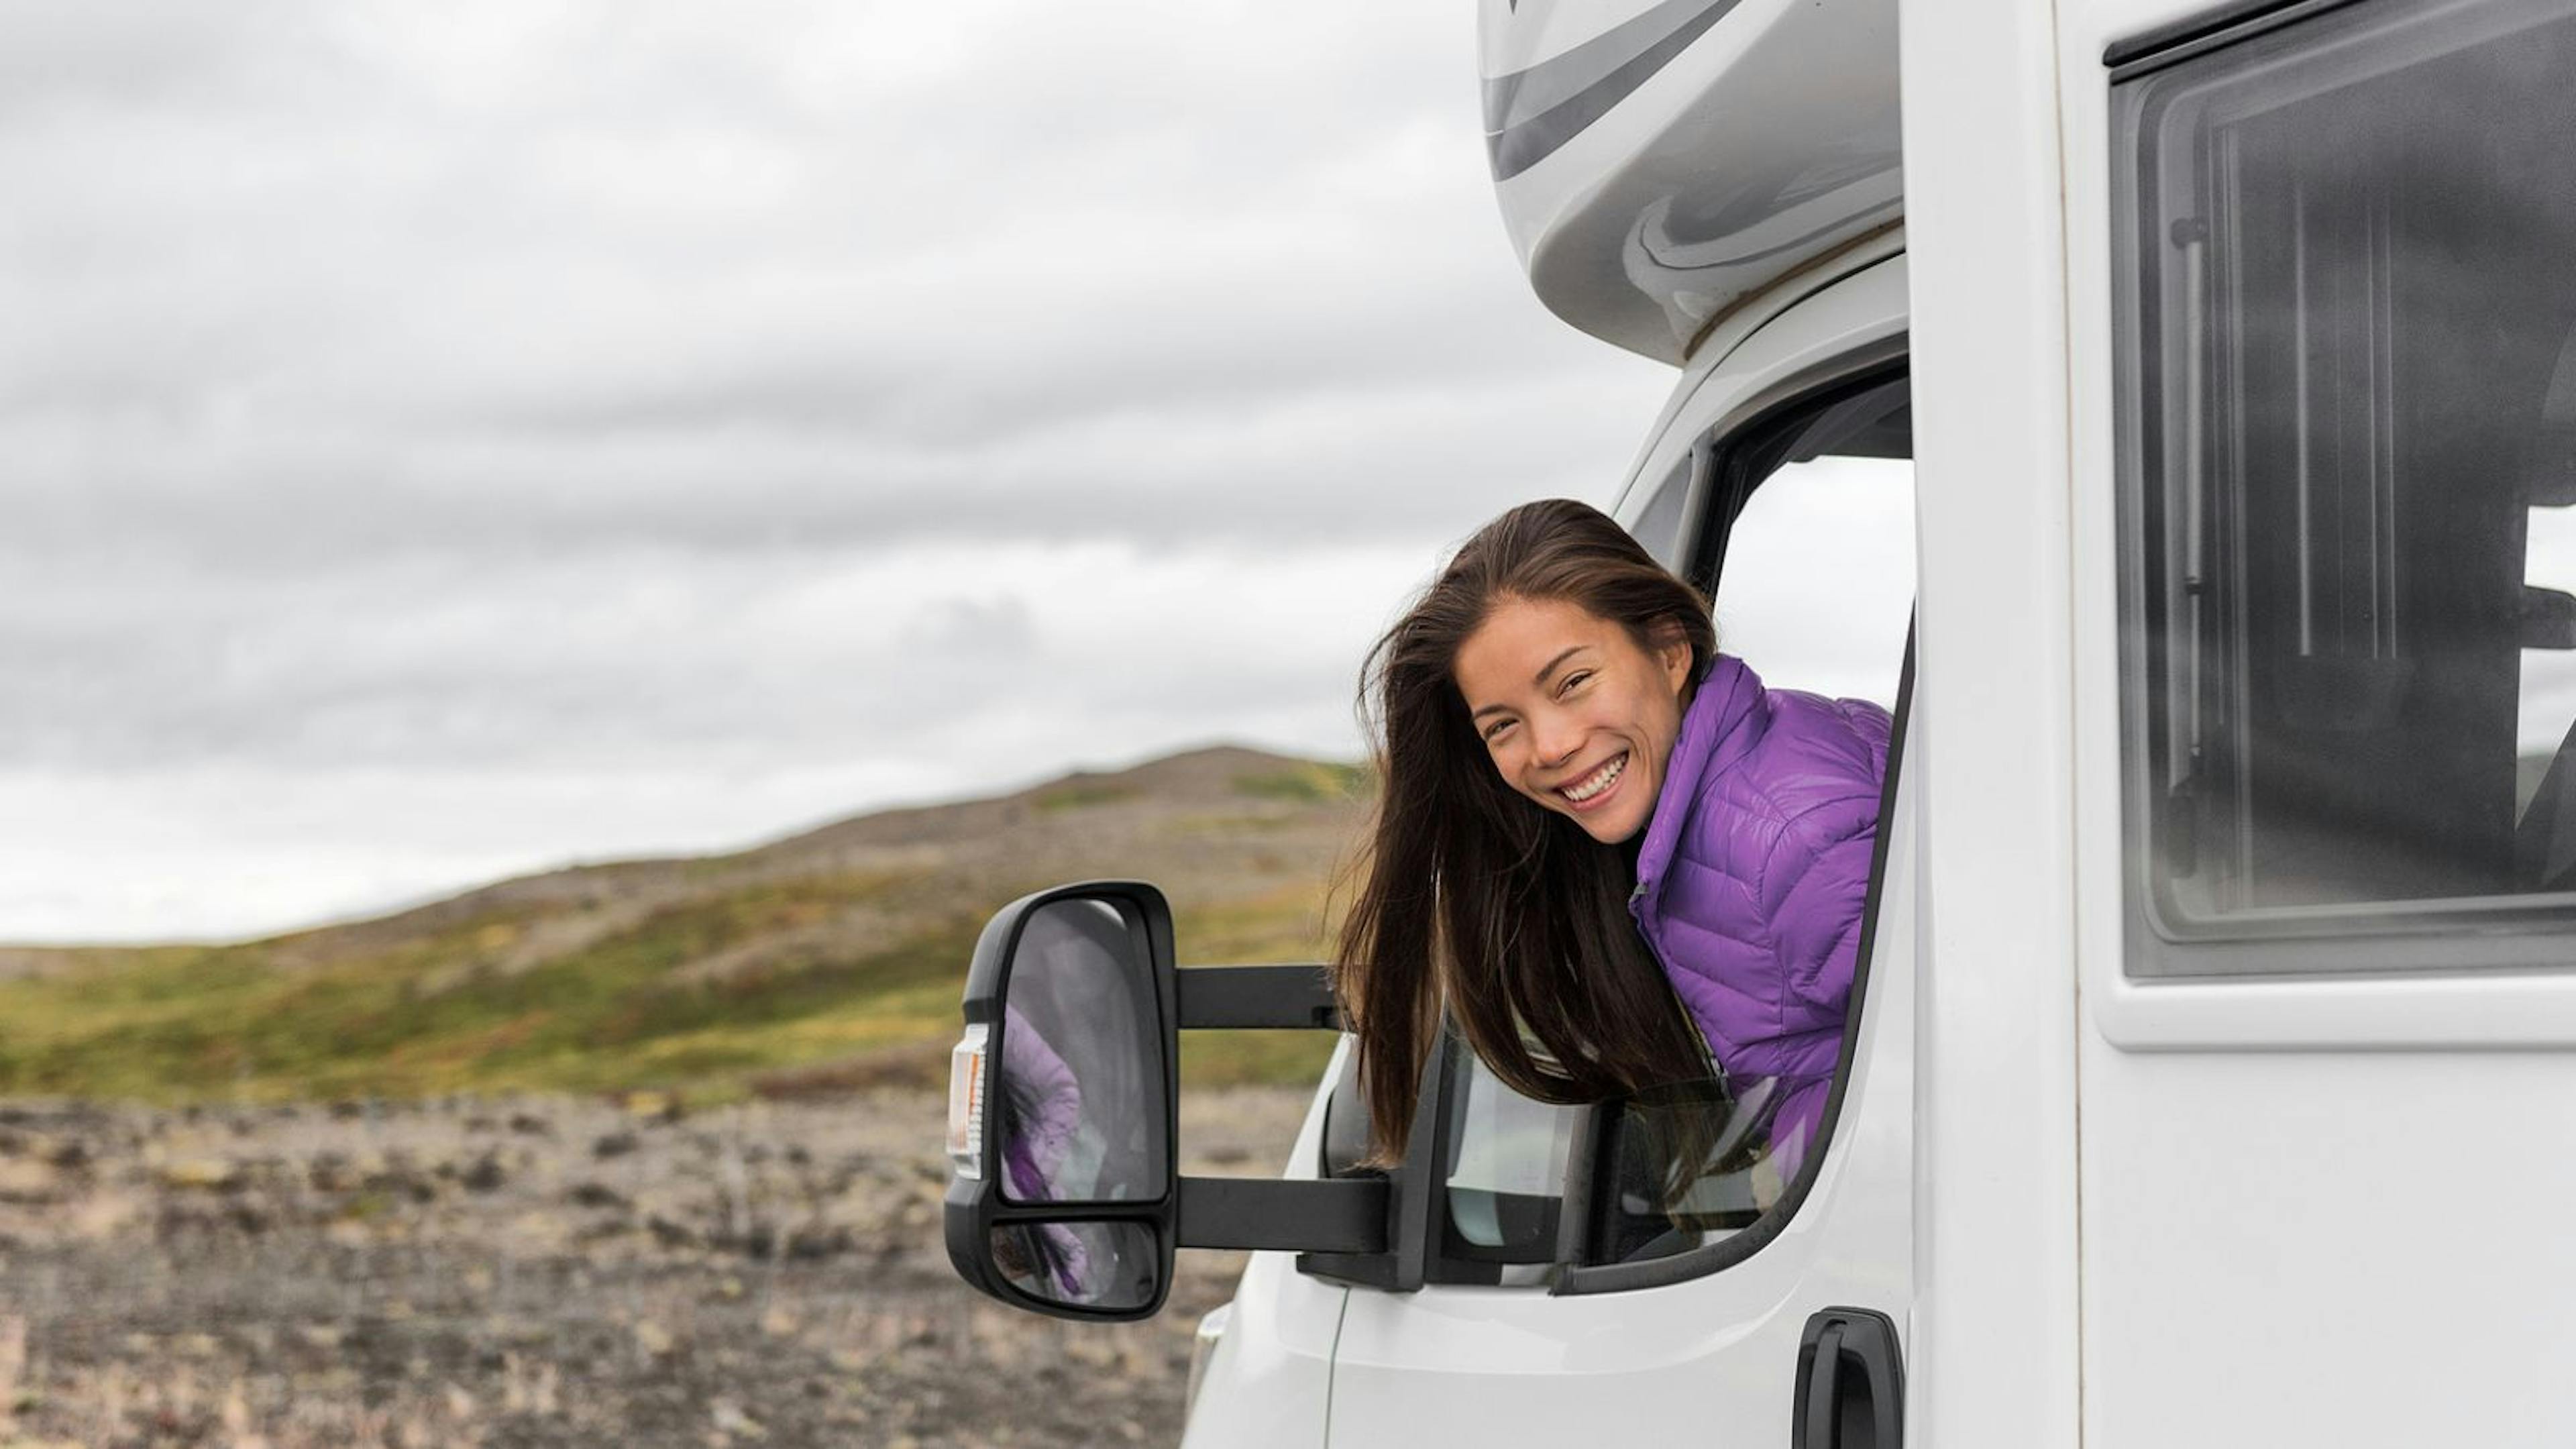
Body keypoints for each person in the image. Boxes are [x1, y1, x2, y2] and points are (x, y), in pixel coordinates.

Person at [1332, 498, 1888, 1183]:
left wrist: (1768, 1192)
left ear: (1669, 649)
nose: (1552, 747)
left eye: (1573, 683)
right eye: (1503, 726)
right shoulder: (1713, 807)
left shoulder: (1795, 846)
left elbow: (1966, 1094)